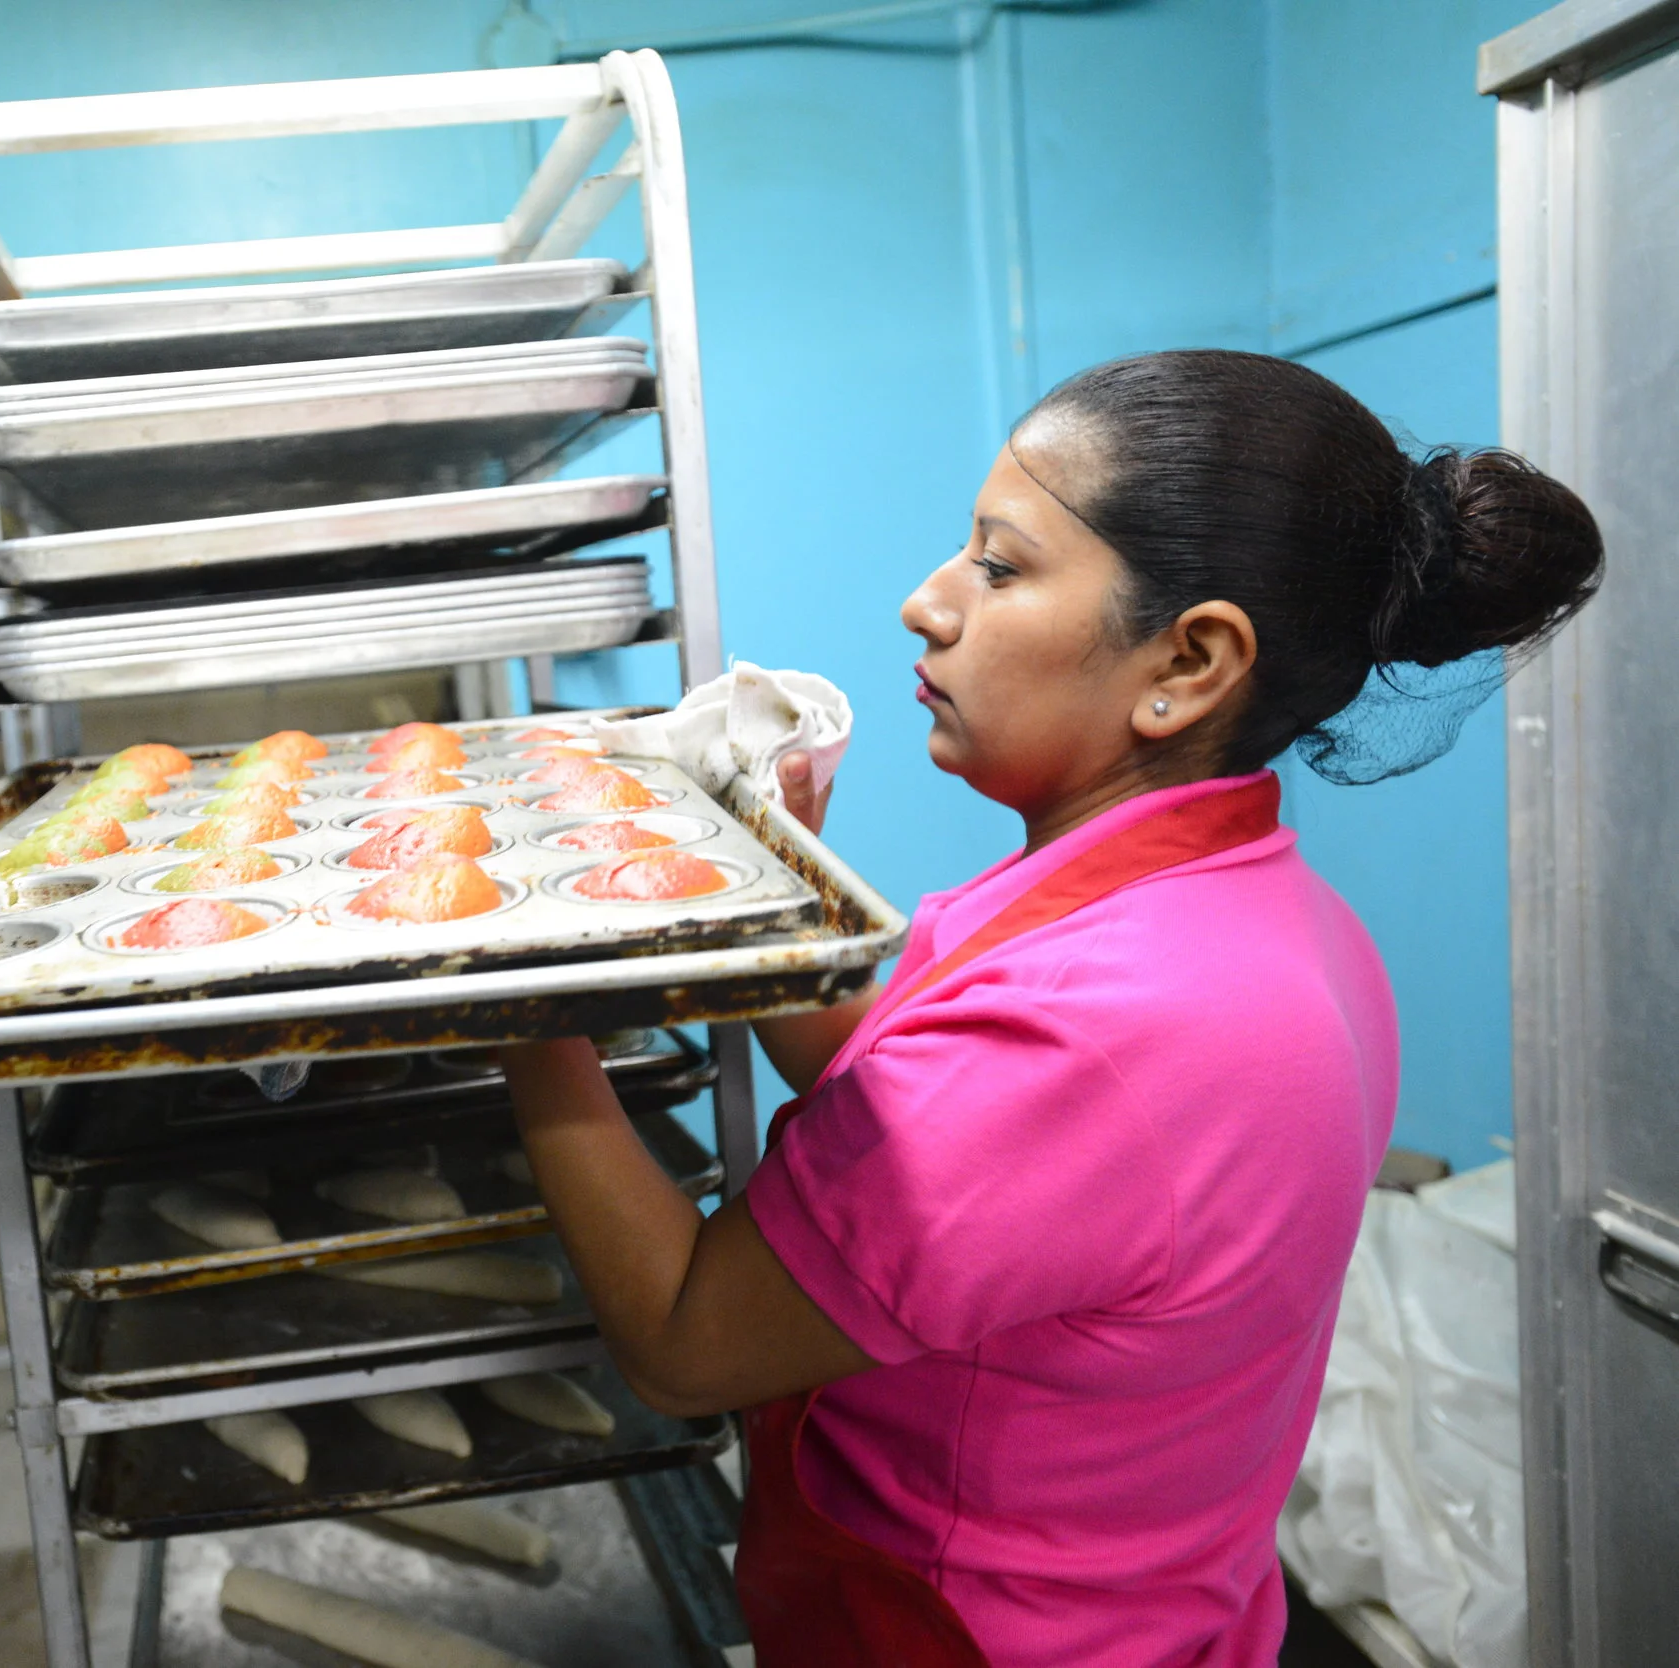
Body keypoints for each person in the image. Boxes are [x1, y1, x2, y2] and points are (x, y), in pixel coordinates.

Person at [499, 350, 1603, 1667]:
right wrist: (767, 884)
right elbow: (911, 1110)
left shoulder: (1102, 1030)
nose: (926, 603)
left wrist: (523, 999)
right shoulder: (1249, 917)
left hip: (970, 1633)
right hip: (1167, 1608)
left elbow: (686, 1343)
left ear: (1187, 662)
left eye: (1002, 568)